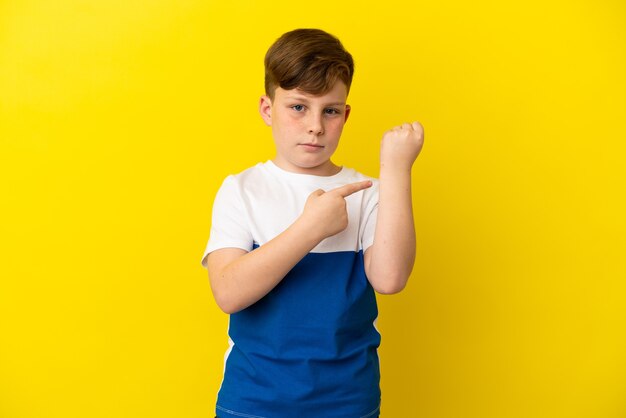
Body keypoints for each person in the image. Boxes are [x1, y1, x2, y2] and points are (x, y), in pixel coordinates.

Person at [201, 28, 424, 418]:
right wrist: (311, 228)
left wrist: (396, 170)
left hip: (347, 401)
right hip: (254, 401)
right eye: (298, 107)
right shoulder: (242, 190)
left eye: (330, 110)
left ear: (345, 115)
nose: (315, 126)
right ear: (268, 109)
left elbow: (390, 280)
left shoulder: (368, 191)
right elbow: (228, 293)